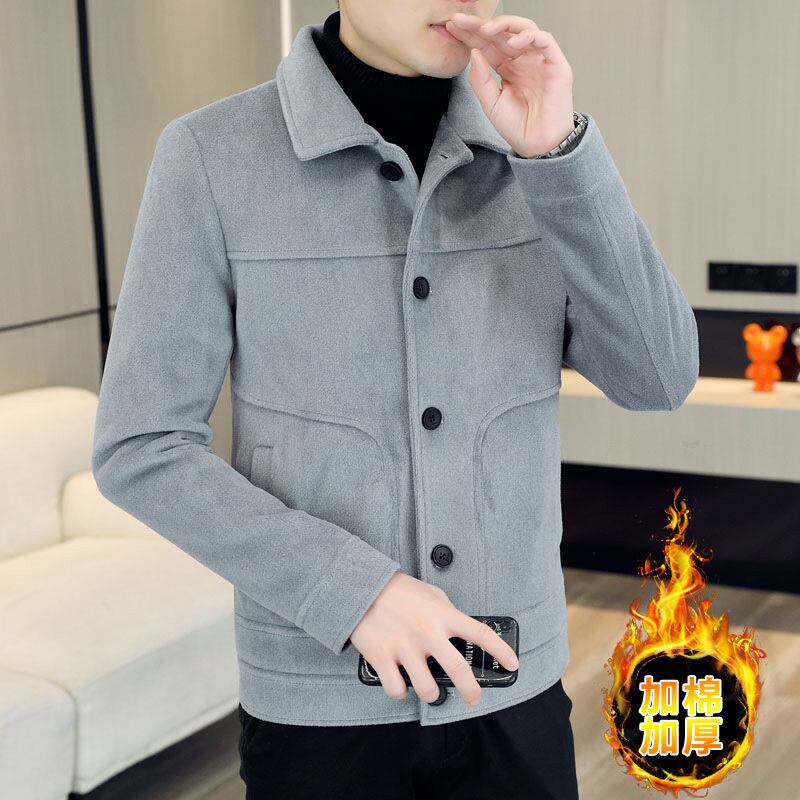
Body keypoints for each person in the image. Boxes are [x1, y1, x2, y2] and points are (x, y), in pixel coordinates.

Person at [92, 1, 699, 797]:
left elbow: (658, 376)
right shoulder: (211, 155)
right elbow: (141, 446)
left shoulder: (533, 154)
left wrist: (559, 156)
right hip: (319, 711)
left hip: (513, 694)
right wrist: (352, 593)